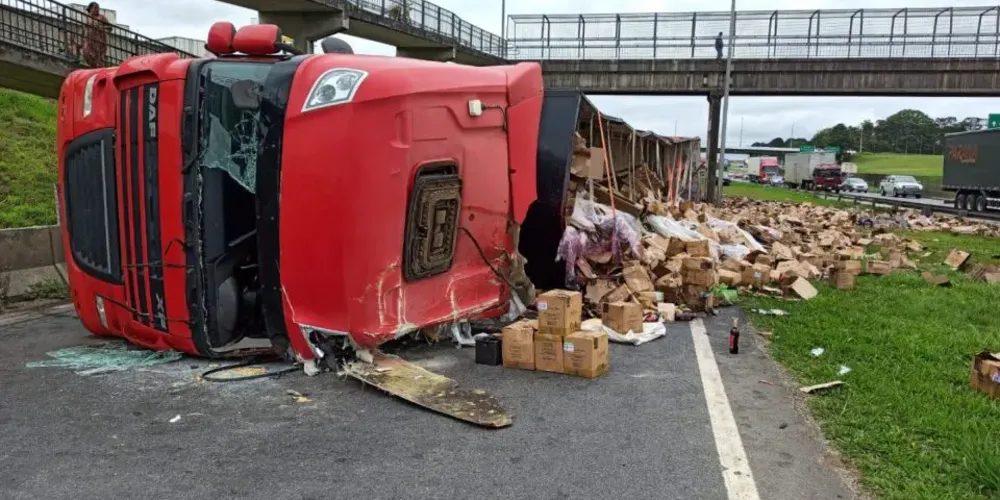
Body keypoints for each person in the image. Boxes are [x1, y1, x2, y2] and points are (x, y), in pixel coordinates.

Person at [81, 2, 112, 68]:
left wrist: (102, 27)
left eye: (98, 8)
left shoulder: (101, 17)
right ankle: (92, 65)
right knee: (87, 52)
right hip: (89, 38)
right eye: (95, 8)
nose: (97, 10)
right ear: (90, 9)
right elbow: (84, 28)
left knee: (99, 55)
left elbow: (110, 27)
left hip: (99, 39)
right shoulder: (87, 17)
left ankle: (99, 68)